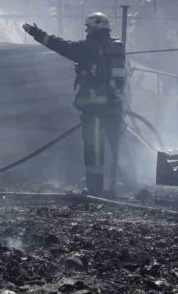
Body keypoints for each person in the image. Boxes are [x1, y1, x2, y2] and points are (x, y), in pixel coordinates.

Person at [23, 13, 126, 195]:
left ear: (94, 28)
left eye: (88, 28)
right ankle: (131, 185)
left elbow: (61, 46)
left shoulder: (87, 47)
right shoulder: (117, 47)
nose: (87, 31)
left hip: (94, 110)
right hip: (115, 108)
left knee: (94, 151)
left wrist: (36, 33)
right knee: (120, 147)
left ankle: (95, 189)